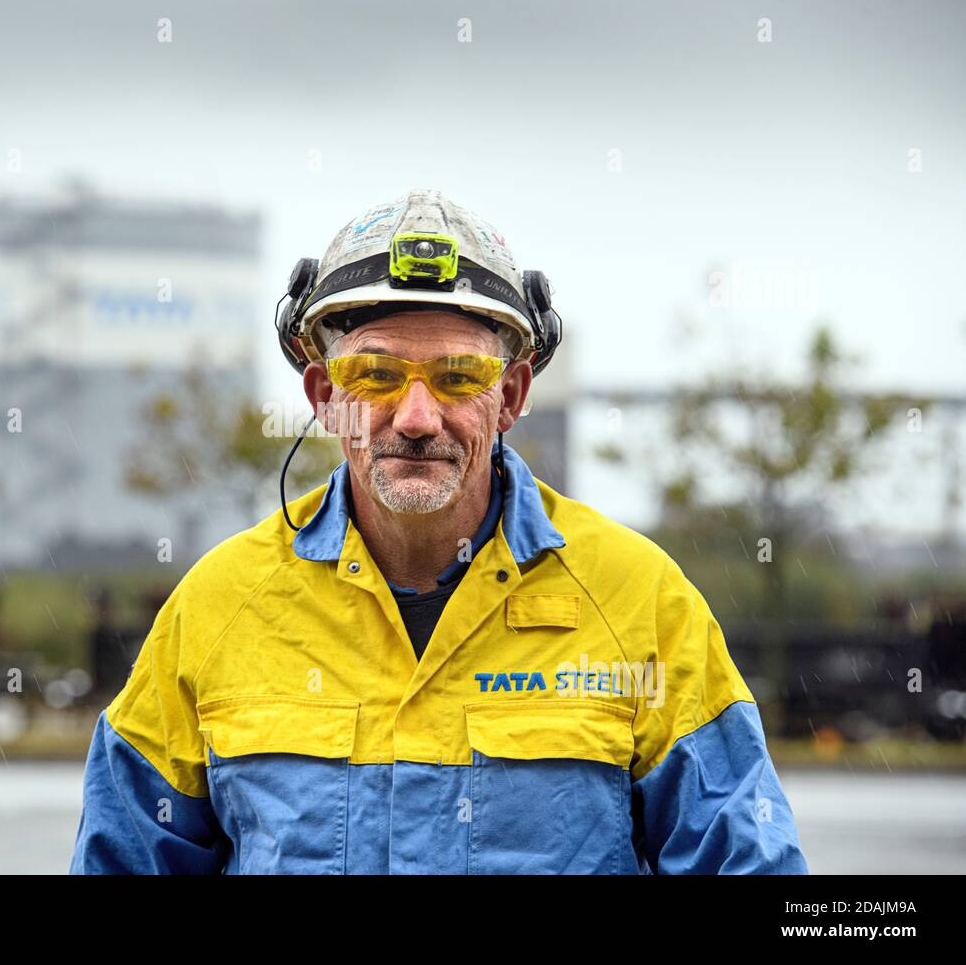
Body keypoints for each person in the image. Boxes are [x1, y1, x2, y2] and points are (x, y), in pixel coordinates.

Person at [70, 188, 808, 874]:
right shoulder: (217, 609)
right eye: (376, 376)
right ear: (325, 396)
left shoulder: (638, 601)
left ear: (510, 395)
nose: (417, 418)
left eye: (458, 378)